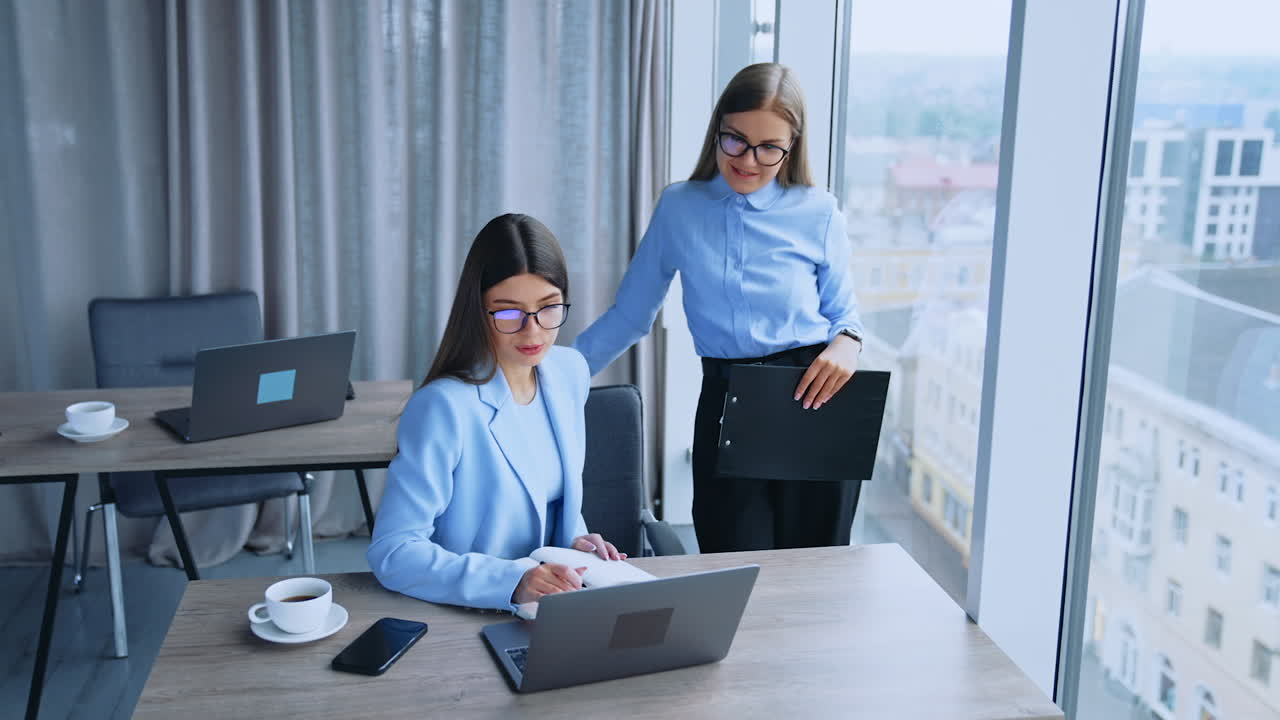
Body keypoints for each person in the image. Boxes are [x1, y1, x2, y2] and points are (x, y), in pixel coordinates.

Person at [573, 63, 864, 553]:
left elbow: (845, 316)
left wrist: (848, 343)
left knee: (816, 576)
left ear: (792, 146)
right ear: (717, 130)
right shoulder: (679, 207)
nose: (749, 160)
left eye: (769, 147)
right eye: (736, 140)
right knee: (730, 563)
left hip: (815, 398)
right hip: (729, 397)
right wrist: (552, 374)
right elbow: (631, 315)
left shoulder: (818, 210)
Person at [368, 213, 624, 612]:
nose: (533, 331)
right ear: (478, 311)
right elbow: (393, 551)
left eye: (549, 308)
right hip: (470, 612)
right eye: (508, 313)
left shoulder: (568, 371)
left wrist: (575, 544)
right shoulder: (444, 406)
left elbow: (554, 501)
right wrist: (513, 582)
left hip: (551, 608)